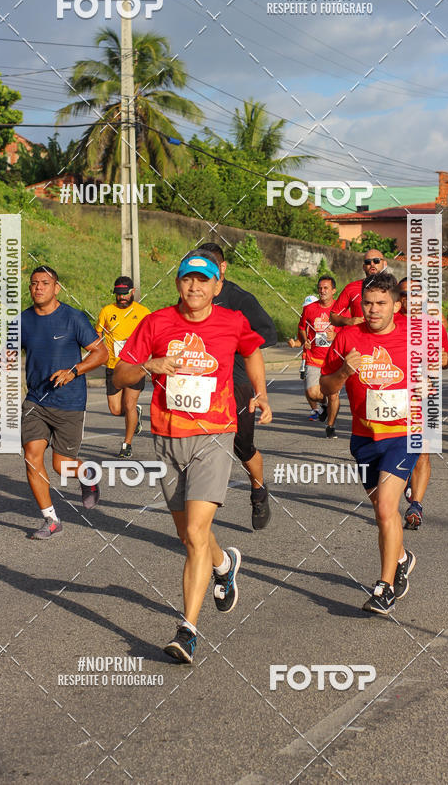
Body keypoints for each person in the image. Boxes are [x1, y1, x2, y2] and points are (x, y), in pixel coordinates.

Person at [113, 250, 272, 663]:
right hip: (167, 438)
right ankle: (224, 564)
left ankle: (187, 630)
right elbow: (120, 374)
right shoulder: (156, 323)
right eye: (187, 279)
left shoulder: (232, 321)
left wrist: (260, 392)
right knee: (188, 536)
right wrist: (150, 365)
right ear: (178, 283)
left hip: (214, 435)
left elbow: (252, 349)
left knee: (197, 533)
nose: (195, 287)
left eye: (203, 280)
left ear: (217, 286)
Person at [321, 272, 418, 616]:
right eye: (368, 303)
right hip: (364, 439)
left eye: (381, 303)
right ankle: (402, 558)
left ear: (396, 306)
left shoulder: (413, 333)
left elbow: (442, 361)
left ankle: (384, 588)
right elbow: (326, 388)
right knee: (382, 512)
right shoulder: (347, 337)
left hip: (403, 436)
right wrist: (344, 372)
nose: (374, 309)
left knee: (386, 510)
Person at [20, 267, 108, 539]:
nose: (38, 287)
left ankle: (88, 475)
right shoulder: (23, 320)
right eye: (34, 283)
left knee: (62, 465)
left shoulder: (73, 318)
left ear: (56, 288)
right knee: (32, 457)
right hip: (36, 400)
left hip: (69, 401)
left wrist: (74, 371)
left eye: (45, 283)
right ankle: (51, 520)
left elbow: (101, 353)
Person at [199, 242, 278, 531]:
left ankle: (258, 491)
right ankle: (199, 515)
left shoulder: (240, 299)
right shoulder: (193, 296)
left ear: (222, 268)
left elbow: (268, 333)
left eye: (211, 266)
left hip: (237, 383)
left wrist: (232, 344)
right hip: (203, 385)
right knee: (204, 447)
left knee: (242, 447)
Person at [395, 278, 448, 530]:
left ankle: (416, 506)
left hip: (425, 395)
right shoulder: (387, 323)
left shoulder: (433, 325)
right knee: (397, 450)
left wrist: (445, 359)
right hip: (394, 397)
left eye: (415, 294)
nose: (410, 299)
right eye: (404, 294)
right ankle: (404, 478)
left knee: (423, 451)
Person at [95, 276, 151, 458]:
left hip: (135, 366)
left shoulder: (143, 312)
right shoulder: (107, 311)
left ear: (133, 291)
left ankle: (127, 444)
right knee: (116, 409)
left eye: (125, 294)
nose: (122, 298)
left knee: (129, 403)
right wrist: (99, 352)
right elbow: (97, 335)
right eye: (118, 294)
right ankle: (134, 413)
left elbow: (152, 336)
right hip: (113, 365)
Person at [297, 275, 341, 438]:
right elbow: (302, 327)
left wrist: (336, 336)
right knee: (312, 393)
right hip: (314, 358)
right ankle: (324, 405)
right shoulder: (310, 309)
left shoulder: (341, 309)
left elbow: (350, 330)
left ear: (333, 290)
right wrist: (305, 340)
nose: (322, 291)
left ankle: (331, 426)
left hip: (333, 359)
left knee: (333, 394)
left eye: (326, 288)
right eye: (320, 288)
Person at [329, 250, 388, 328]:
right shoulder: (351, 288)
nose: (372, 264)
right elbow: (333, 316)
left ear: (384, 264)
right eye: (368, 262)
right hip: (360, 334)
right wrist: (348, 321)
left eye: (376, 261)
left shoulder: (393, 287)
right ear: (363, 267)